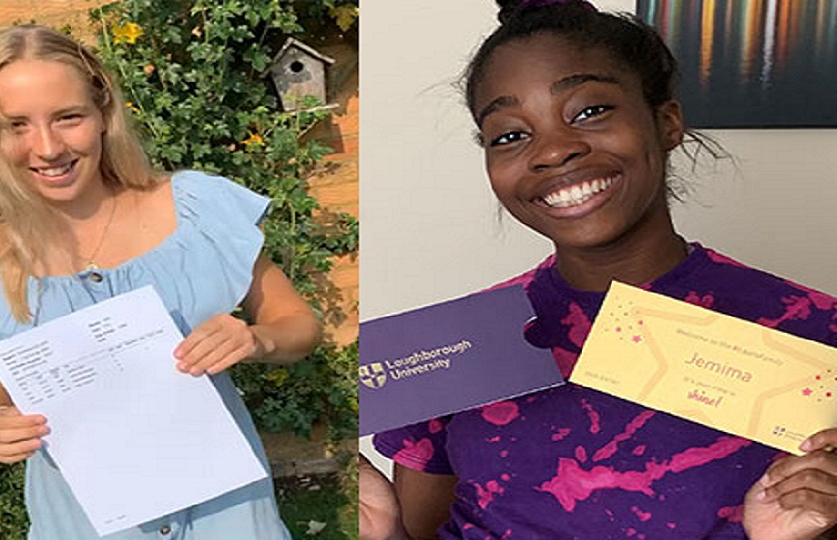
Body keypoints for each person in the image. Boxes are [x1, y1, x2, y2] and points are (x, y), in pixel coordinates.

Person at [359, 1, 837, 539]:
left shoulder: (815, 334)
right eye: (510, 135)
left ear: (666, 122)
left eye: (589, 111)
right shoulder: (452, 350)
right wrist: (383, 532)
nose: (553, 151)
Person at [0, 24, 321, 539]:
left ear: (103, 113)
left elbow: (298, 325)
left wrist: (256, 338)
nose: (47, 147)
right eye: (16, 125)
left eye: (68, 117)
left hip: (228, 516)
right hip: (84, 523)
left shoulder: (196, 209)